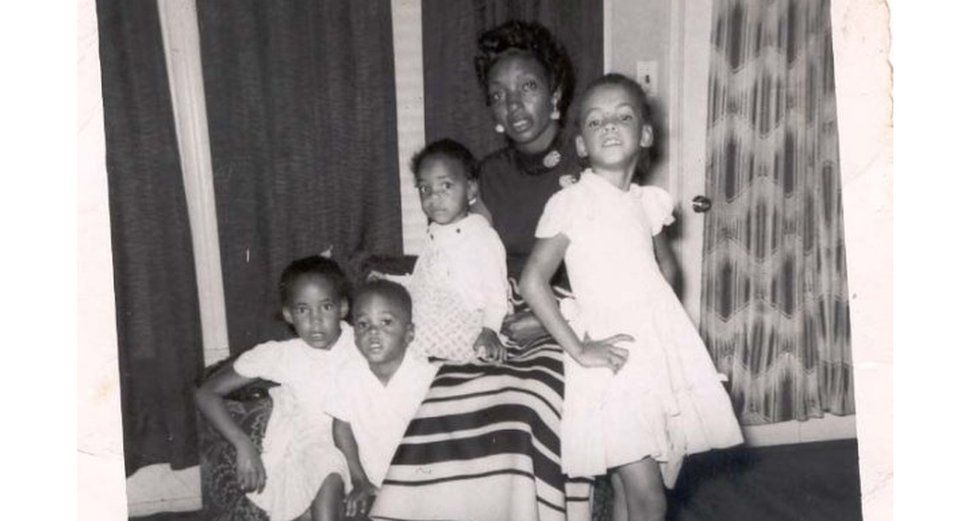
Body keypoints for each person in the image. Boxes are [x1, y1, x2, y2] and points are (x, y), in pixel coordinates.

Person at [370, 20, 598, 521]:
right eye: (500, 95)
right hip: (498, 316)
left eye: (528, 88)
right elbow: (462, 256)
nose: (514, 105)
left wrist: (546, 318)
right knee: (442, 400)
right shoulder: (486, 175)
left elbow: (611, 276)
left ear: (555, 93)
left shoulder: (588, 168)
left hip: (571, 321)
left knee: (520, 409)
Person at [520, 74, 744, 521]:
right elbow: (532, 281)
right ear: (581, 144)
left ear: (644, 135)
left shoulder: (648, 202)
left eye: (623, 116)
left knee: (632, 491)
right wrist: (579, 347)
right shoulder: (574, 202)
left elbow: (667, 267)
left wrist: (663, 324)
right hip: (611, 361)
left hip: (650, 357)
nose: (608, 126)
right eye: (595, 120)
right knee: (648, 497)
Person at [194, 255, 356, 521]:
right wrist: (242, 444)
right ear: (288, 314)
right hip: (312, 450)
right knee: (328, 469)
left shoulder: (360, 342)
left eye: (325, 307)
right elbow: (206, 393)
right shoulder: (282, 355)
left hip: (361, 447)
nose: (316, 321)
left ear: (343, 307)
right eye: (303, 310)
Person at [325, 280, 439, 519]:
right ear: (354, 335)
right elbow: (341, 427)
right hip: (370, 484)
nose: (373, 332)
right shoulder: (348, 375)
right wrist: (359, 480)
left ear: (409, 333)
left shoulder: (428, 379)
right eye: (363, 324)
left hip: (422, 487)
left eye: (386, 322)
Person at [404, 138, 509, 363]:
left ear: (470, 188)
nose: (434, 196)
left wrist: (490, 330)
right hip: (429, 315)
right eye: (425, 188)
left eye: (446, 186)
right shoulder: (433, 232)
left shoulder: (482, 236)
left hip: (465, 319)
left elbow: (496, 292)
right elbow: (424, 277)